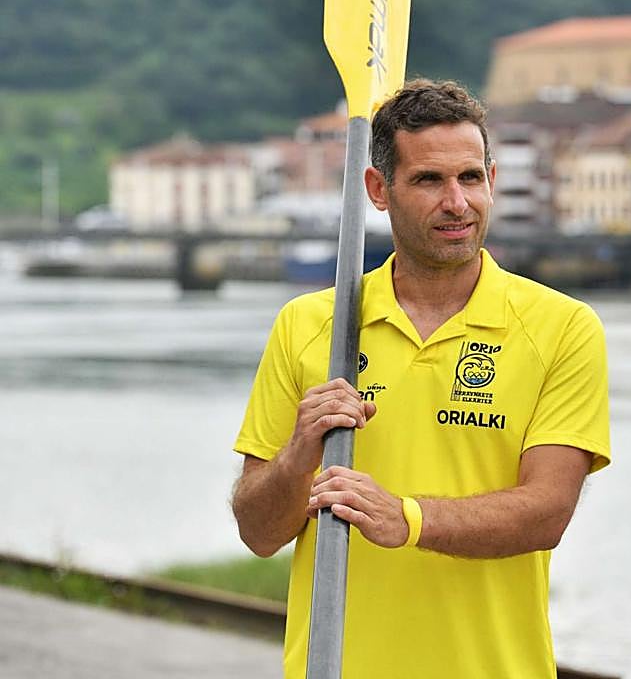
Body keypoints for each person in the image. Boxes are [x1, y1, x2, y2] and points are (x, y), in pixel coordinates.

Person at [231, 79, 611, 679]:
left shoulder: (562, 328)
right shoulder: (310, 326)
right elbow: (257, 530)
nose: (457, 202)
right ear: (379, 190)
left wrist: (406, 519)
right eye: (429, 180)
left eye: (470, 178)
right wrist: (298, 455)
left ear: (492, 178)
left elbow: (547, 511)